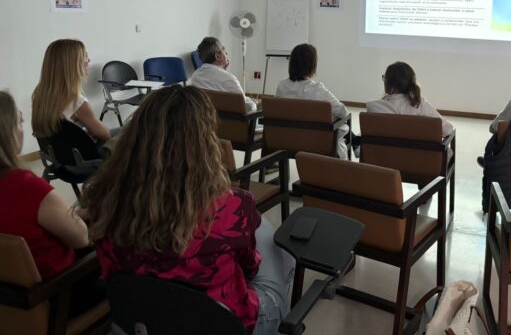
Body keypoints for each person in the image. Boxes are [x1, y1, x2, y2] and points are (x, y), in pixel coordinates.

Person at [80, 85, 294, 335]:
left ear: (134, 138)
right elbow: (250, 268)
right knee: (280, 251)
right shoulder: (233, 206)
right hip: (225, 325)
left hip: (141, 321)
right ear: (205, 143)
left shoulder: (103, 201)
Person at [0, 91, 104, 318]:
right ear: (8, 133)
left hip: (10, 306)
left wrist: (76, 214)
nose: (22, 129)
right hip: (57, 298)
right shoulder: (26, 187)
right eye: (19, 122)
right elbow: (81, 238)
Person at [276, 44, 350, 159]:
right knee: (341, 122)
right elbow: (343, 112)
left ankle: (355, 141)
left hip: (286, 141)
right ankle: (355, 142)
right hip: (315, 143)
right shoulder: (317, 89)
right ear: (313, 65)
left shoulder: (282, 86)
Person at [32, 39, 111, 143]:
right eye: (85, 56)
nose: (89, 60)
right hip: (85, 152)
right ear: (73, 65)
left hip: (60, 151)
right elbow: (105, 135)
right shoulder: (76, 103)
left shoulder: (40, 96)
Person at [367, 61, 454, 138]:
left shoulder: (373, 106)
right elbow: (447, 130)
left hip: (384, 152)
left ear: (388, 82)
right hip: (419, 152)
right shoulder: (420, 105)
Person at [190, 37, 257, 113]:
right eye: (224, 50)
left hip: (206, 118)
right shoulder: (229, 79)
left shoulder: (195, 76)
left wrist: (223, 71)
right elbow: (247, 107)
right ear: (217, 57)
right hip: (229, 119)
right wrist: (253, 103)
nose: (226, 53)